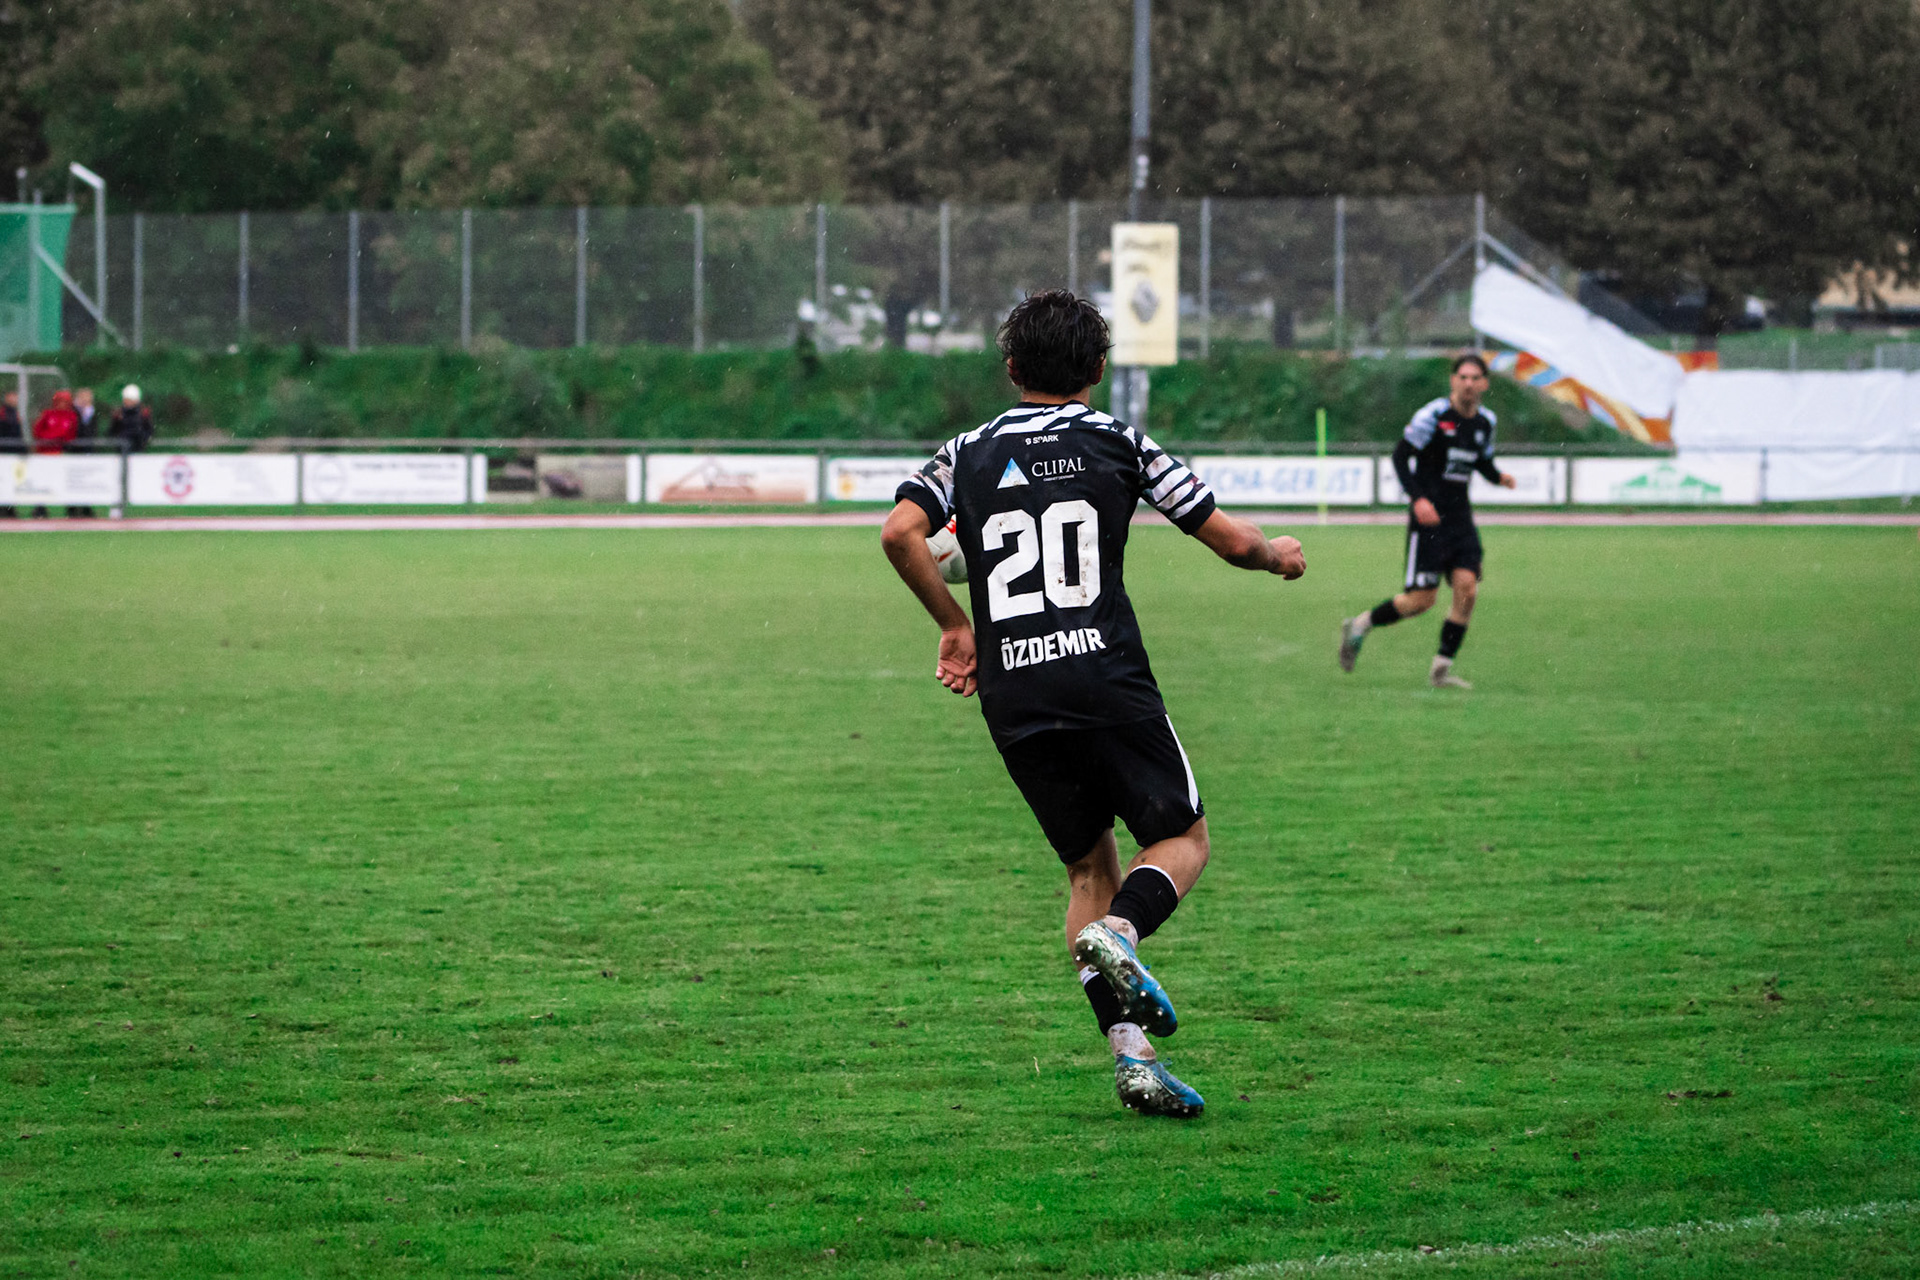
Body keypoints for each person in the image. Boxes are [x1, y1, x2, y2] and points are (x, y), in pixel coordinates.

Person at [881, 290, 1306, 1118]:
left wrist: (956, 625)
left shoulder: (967, 451)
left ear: (1012, 367)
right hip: (1104, 679)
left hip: (1015, 692)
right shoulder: (1117, 440)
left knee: (1088, 870)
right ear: (1099, 369)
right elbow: (1229, 539)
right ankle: (1122, 933)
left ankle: (1133, 1059)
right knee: (1181, 839)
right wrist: (1276, 556)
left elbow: (902, 535)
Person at [1337, 353, 1515, 689]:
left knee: (1467, 590)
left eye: (1475, 378)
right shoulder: (1433, 416)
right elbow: (1400, 456)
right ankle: (1361, 624)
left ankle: (1441, 671)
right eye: (1463, 377)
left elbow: (1481, 461)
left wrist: (1499, 477)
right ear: (1453, 380)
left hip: (1461, 519)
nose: (1468, 383)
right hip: (1429, 520)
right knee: (1421, 600)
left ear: (1485, 384)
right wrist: (1418, 498)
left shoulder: (1485, 422)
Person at [28, 389, 79, 519]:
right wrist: (51, 438)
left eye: (65, 402)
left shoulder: (71, 417)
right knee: (42, 482)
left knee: (65, 482)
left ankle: (71, 510)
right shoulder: (48, 414)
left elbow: (70, 436)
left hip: (59, 454)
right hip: (44, 454)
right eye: (60, 401)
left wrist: (56, 440)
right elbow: (37, 431)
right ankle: (40, 509)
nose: (62, 404)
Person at [68, 387, 99, 517]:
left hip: (87, 450)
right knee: (73, 480)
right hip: (75, 451)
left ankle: (86, 508)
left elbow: (93, 430)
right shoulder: (73, 411)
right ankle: (72, 509)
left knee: (87, 481)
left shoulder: (91, 412)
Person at [109, 384, 155, 453]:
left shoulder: (143, 413)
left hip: (139, 449)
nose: (128, 402)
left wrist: (141, 437)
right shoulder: (119, 413)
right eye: (127, 400)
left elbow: (149, 431)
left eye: (131, 400)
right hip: (121, 450)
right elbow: (112, 431)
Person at [0, 389, 21, 518]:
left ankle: (10, 508)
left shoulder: (15, 413)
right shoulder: (3, 413)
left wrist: (21, 448)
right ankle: (4, 508)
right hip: (4, 452)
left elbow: (17, 433)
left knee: (11, 481)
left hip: (12, 452)